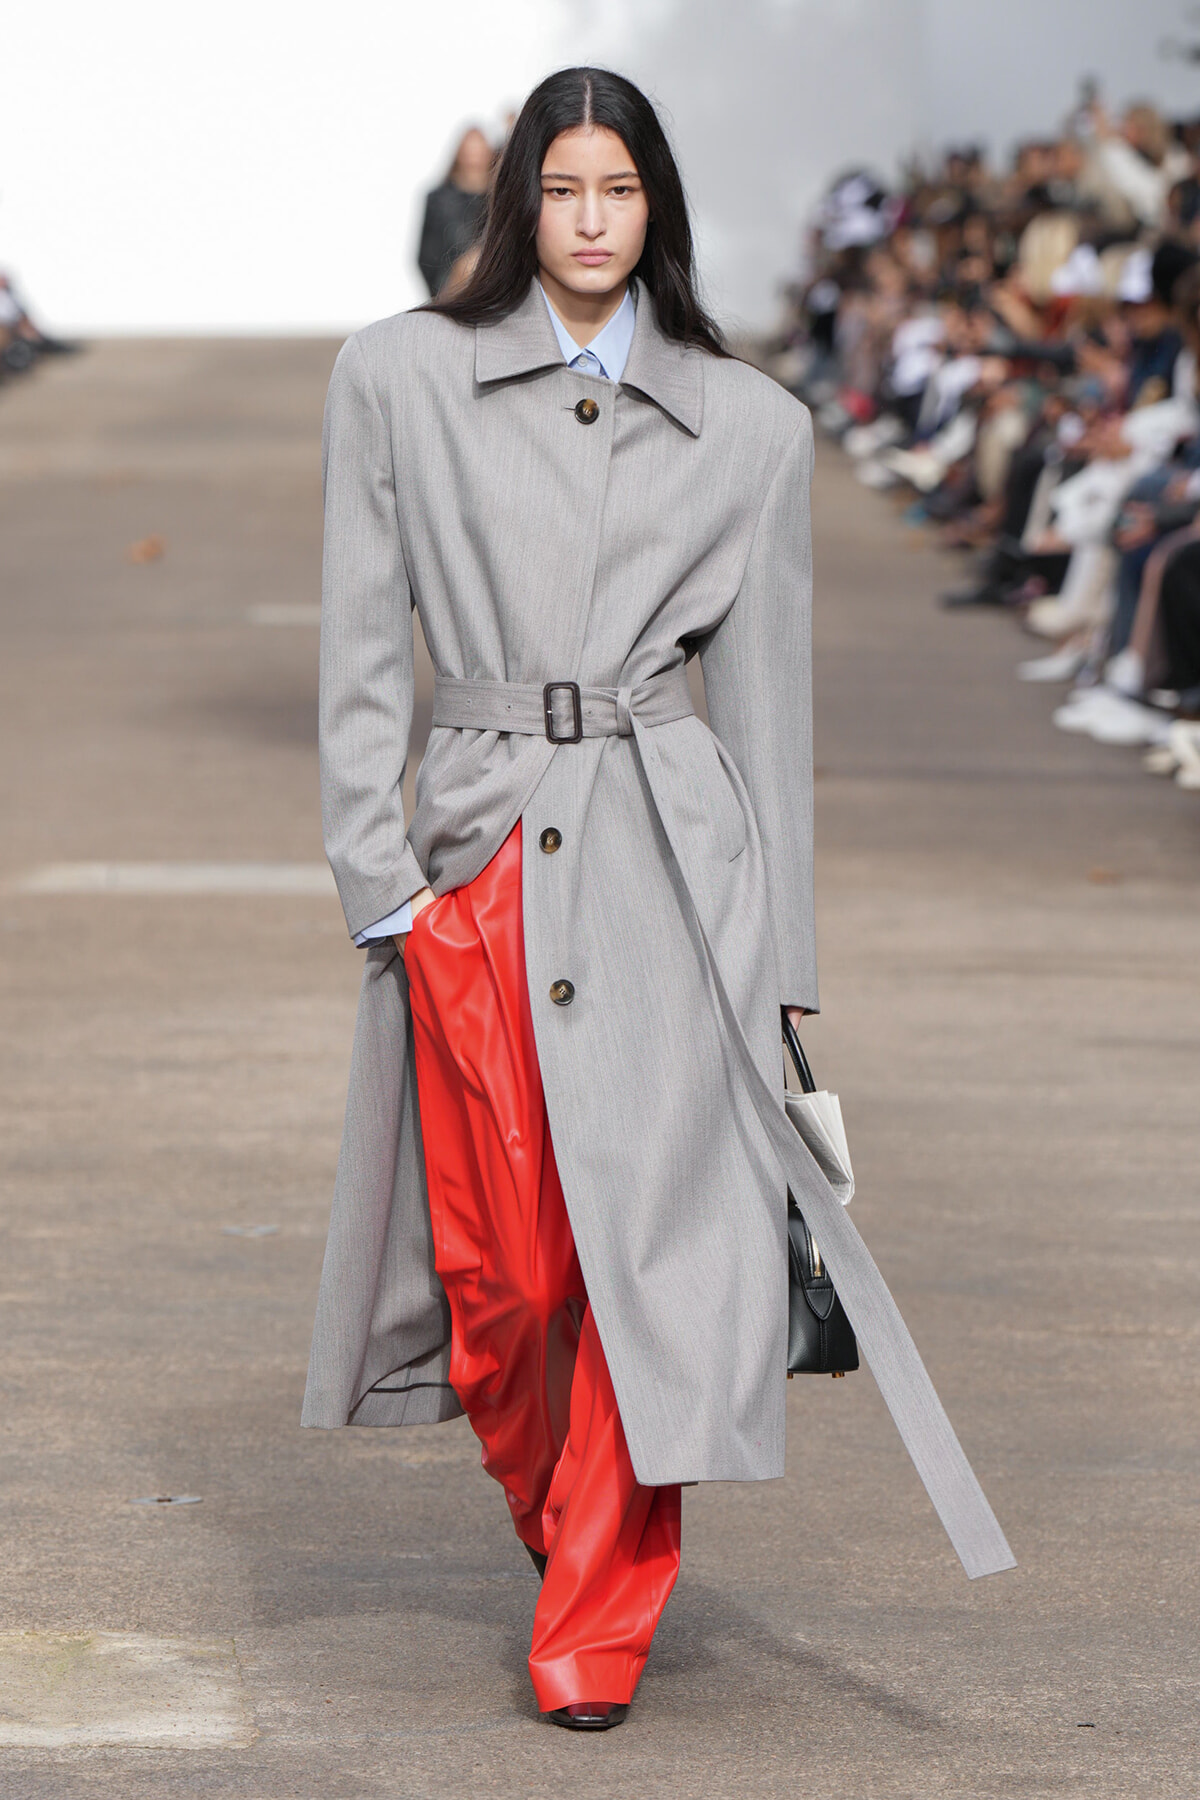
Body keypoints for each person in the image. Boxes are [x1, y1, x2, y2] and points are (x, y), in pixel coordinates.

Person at [303, 65, 1010, 1734]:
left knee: (650, 1264)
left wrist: (785, 969)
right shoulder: (399, 378)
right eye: (566, 191)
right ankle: (574, 1534)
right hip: (478, 855)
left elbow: (768, 707)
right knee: (506, 1285)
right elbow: (353, 639)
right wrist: (379, 878)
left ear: (658, 207)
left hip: (672, 872)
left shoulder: (750, 422)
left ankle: (596, 1618)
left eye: (622, 190)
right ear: (518, 207)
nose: (595, 220)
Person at [416, 126, 493, 297]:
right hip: (450, 289)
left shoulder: (500, 198)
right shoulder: (440, 199)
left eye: (478, 151)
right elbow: (427, 255)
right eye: (470, 151)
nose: (474, 158)